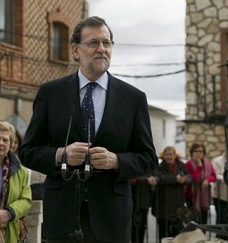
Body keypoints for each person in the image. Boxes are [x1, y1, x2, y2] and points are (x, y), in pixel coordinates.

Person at [19, 16, 157, 242]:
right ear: (75, 50)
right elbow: (27, 151)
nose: (102, 49)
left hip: (111, 219)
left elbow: (149, 159)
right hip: (62, 218)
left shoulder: (133, 98)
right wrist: (60, 155)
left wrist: (117, 160)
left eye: (107, 43)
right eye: (93, 43)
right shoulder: (51, 93)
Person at [149, 146, 190, 240]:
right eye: (167, 155)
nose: (169, 156)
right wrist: (175, 179)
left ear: (175, 155)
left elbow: (189, 177)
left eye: (171, 154)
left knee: (177, 234)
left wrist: (184, 180)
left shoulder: (181, 165)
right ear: (164, 156)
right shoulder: (159, 167)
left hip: (178, 206)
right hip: (163, 205)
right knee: (163, 234)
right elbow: (159, 178)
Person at [185, 142, 216, 225]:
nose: (198, 153)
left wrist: (207, 180)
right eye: (196, 151)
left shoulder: (207, 162)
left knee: (203, 219)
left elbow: (214, 176)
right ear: (192, 153)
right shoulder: (188, 164)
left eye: (201, 151)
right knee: (193, 221)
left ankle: (202, 236)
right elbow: (195, 178)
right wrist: (199, 165)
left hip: (204, 196)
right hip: (192, 196)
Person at [211, 151, 228, 240]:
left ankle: (226, 238)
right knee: (220, 218)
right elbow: (215, 175)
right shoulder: (217, 161)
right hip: (219, 195)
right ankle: (219, 238)